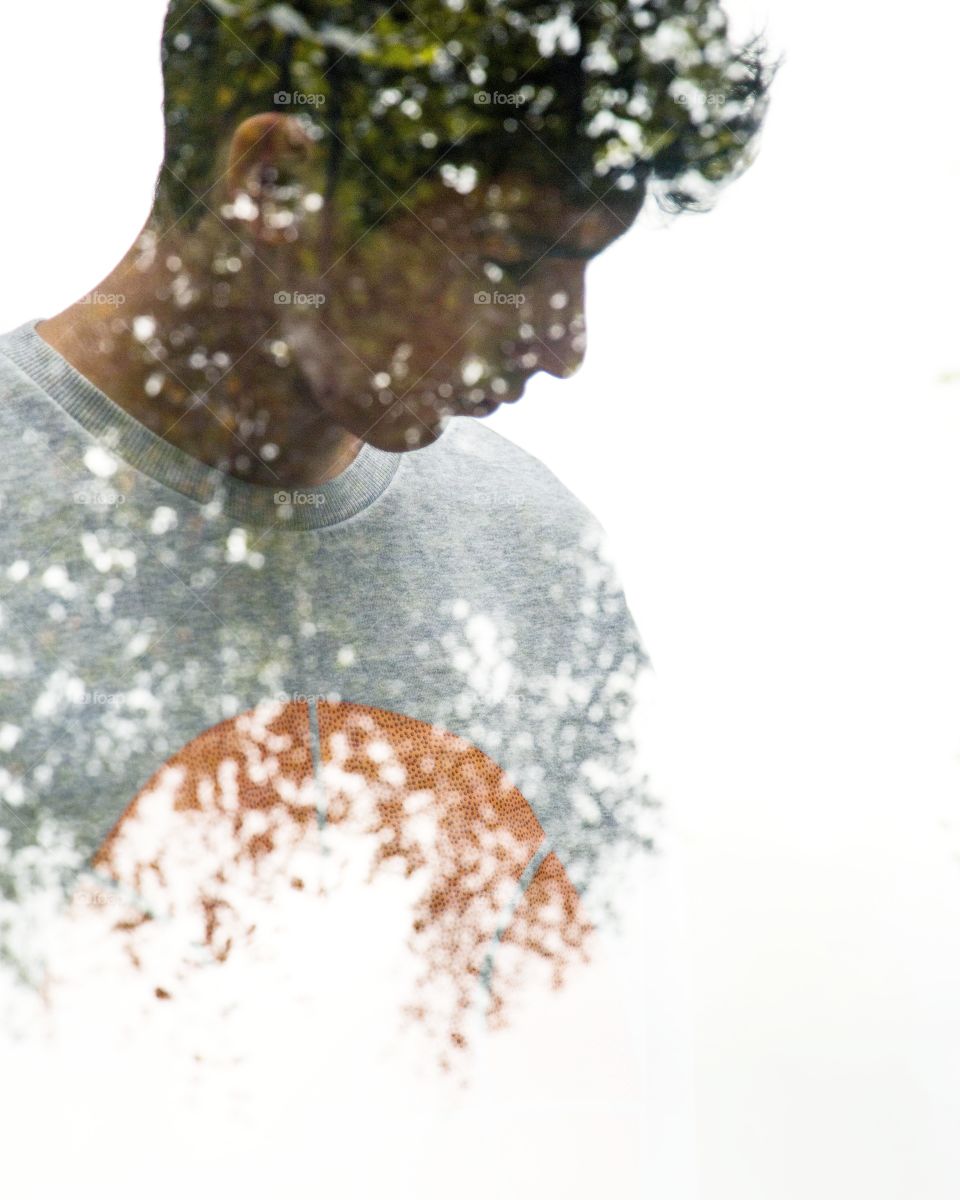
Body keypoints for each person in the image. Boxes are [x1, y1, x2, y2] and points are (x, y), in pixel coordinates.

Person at [0, 0, 773, 1132]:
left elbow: (599, 1113)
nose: (564, 343)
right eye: (512, 259)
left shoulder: (538, 558)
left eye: (585, 266)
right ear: (274, 181)